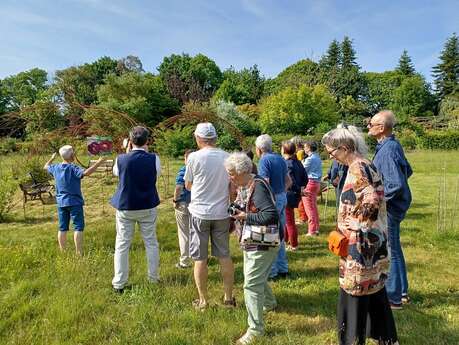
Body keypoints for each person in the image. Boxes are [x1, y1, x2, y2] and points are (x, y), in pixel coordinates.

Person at [322, 125, 399, 345]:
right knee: (374, 290)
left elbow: (372, 202)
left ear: (344, 148)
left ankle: (352, 339)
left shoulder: (357, 168)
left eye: (332, 152)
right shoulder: (365, 164)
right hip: (372, 244)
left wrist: (352, 227)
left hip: (362, 247)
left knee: (354, 292)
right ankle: (386, 338)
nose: (331, 157)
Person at [224, 152, 279, 345]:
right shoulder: (250, 184)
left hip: (261, 243)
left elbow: (271, 215)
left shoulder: (258, 188)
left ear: (241, 171)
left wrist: (244, 216)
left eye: (231, 173)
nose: (229, 177)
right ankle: (270, 303)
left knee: (251, 284)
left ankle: (255, 330)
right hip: (255, 242)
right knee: (255, 276)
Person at [184, 122, 235, 310]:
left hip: (199, 212)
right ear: (214, 138)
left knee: (200, 258)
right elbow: (232, 187)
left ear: (198, 139)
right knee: (224, 255)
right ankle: (228, 298)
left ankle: (203, 301)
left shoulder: (194, 158)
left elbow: (188, 185)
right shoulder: (227, 157)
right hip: (221, 212)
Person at [368, 110, 413, 310]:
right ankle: (402, 292)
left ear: (381, 128)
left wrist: (379, 203)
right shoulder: (390, 146)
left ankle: (393, 297)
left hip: (391, 208)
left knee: (390, 251)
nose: (368, 127)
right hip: (396, 206)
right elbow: (407, 170)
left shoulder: (388, 150)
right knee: (395, 248)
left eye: (371, 124)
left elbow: (395, 183)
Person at [110, 126, 161, 293]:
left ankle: (119, 282)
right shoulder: (154, 158)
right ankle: (153, 278)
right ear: (147, 141)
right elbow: (156, 174)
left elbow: (117, 174)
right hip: (147, 204)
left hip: (126, 205)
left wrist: (126, 151)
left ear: (130, 142)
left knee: (122, 244)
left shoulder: (121, 159)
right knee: (151, 242)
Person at [44, 145, 106, 256]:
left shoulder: (56, 168)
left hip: (61, 203)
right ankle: (79, 253)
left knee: (62, 228)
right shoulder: (73, 168)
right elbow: (86, 173)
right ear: (72, 155)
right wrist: (99, 162)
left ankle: (63, 252)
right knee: (78, 227)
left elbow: (46, 166)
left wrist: (52, 158)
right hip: (74, 202)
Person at [255, 134, 292, 279]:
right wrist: (282, 192)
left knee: (269, 234)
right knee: (280, 233)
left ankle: (272, 272)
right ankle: (283, 268)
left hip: (271, 199)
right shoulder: (280, 158)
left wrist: (263, 201)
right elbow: (289, 181)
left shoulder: (264, 161)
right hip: (282, 196)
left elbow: (265, 183)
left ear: (259, 149)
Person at [281, 141, 308, 251]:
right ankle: (286, 240)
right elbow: (305, 178)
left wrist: (298, 189)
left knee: (289, 221)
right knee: (287, 219)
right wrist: (301, 188)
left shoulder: (287, 164)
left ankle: (294, 244)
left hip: (289, 194)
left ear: (284, 150)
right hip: (295, 194)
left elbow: (291, 181)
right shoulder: (298, 162)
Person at [173, 149, 194, 269]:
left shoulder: (184, 170)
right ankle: (199, 258)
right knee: (195, 231)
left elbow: (178, 187)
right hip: (196, 204)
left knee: (184, 233)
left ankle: (185, 261)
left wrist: (175, 200)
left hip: (183, 204)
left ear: (186, 159)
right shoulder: (199, 169)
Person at [299, 141, 322, 236]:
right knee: (313, 206)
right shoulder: (317, 157)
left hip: (309, 183)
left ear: (309, 148)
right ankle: (316, 228)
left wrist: (300, 162)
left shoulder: (310, 159)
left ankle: (312, 230)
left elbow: (302, 171)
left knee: (309, 208)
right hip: (316, 183)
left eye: (305, 147)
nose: (304, 149)